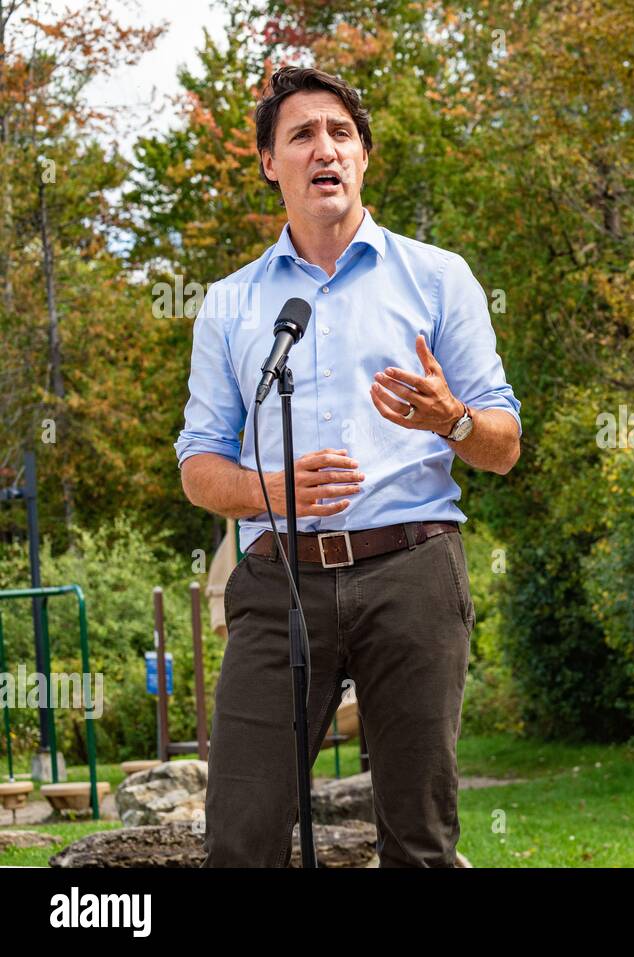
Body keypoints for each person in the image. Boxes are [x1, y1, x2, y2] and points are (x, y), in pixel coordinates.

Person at [174, 66, 521, 867]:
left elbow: (502, 445)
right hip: (278, 581)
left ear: (363, 156)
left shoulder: (438, 277)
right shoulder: (229, 304)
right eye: (301, 134)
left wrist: (453, 418)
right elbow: (199, 464)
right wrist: (271, 490)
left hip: (413, 571)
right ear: (270, 162)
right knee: (242, 833)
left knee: (420, 839)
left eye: (340, 132)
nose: (323, 148)